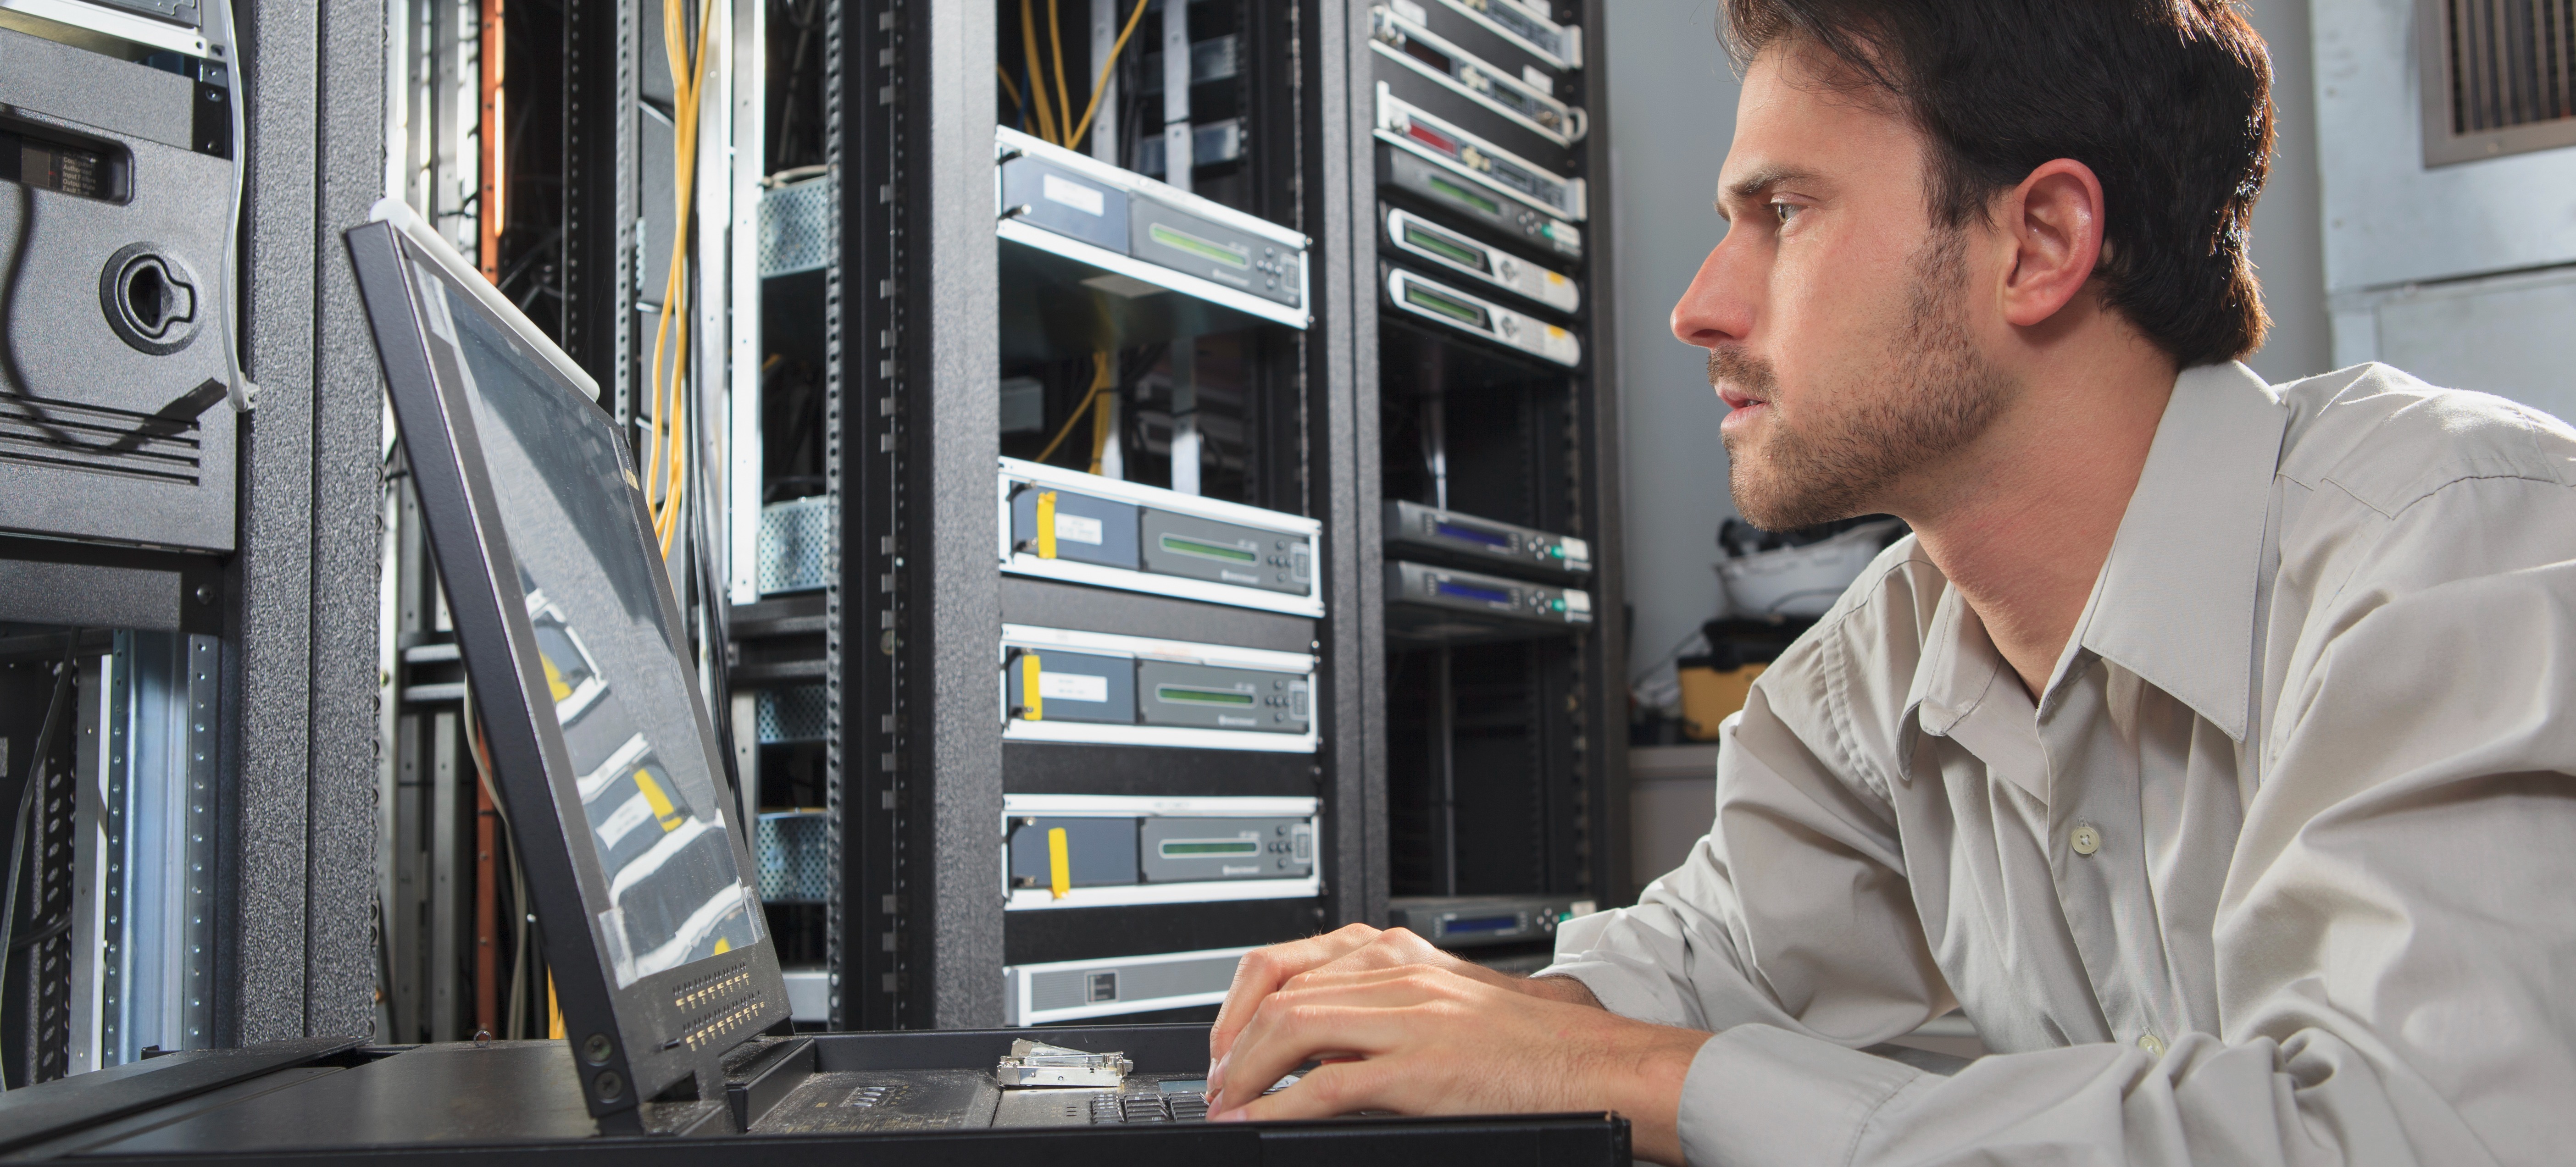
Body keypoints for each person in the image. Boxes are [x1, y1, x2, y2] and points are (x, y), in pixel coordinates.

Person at [1196, 1, 2576, 1163]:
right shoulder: (1871, 676)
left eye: (1783, 212)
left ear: (2039, 243)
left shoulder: (2453, 546)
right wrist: (1428, 1021)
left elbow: (2405, 1131)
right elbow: (1695, 958)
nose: (1698, 308)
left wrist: (1642, 1073)